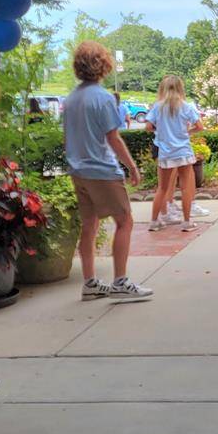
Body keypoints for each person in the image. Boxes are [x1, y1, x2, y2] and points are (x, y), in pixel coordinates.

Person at [63, 41, 153, 301]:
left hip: (78, 171)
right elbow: (113, 138)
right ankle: (120, 282)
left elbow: (67, 139)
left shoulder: (71, 99)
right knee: (125, 220)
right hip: (101, 170)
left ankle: (90, 283)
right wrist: (132, 166)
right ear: (103, 64)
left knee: (89, 224)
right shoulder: (103, 98)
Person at [146, 75, 203, 232]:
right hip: (183, 151)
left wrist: (161, 131)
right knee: (185, 187)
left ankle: (154, 221)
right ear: (180, 88)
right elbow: (199, 126)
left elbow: (148, 126)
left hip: (165, 152)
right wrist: (187, 131)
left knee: (162, 188)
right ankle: (186, 222)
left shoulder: (157, 107)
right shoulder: (186, 107)